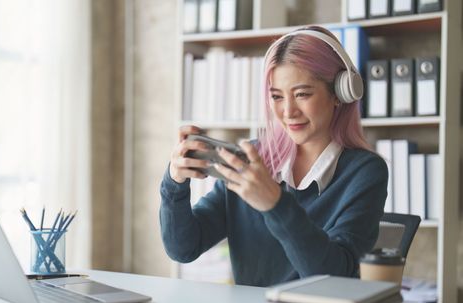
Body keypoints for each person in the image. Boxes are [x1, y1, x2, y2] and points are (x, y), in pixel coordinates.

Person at [159, 26, 388, 287]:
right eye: (277, 97)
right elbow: (183, 248)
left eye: (302, 94)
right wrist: (174, 183)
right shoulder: (252, 160)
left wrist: (274, 204)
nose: (288, 111)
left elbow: (332, 278)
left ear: (338, 93)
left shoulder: (365, 172)